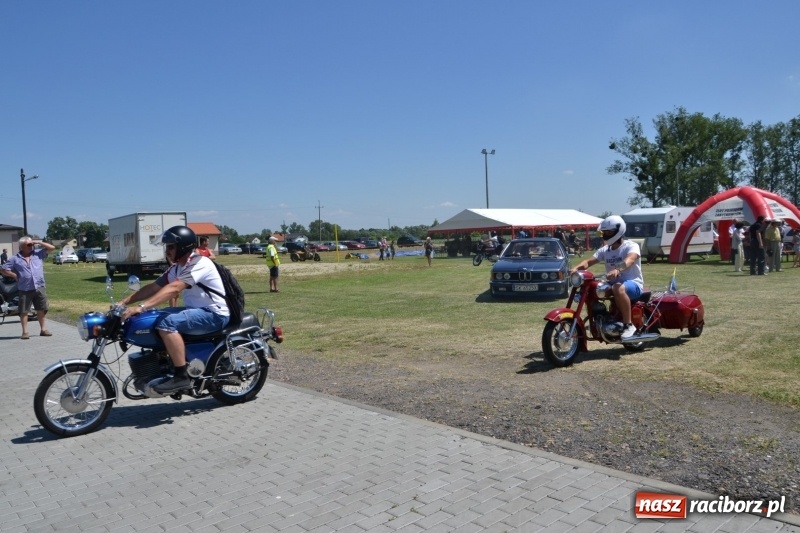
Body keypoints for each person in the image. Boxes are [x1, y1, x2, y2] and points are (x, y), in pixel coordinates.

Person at [120, 226, 229, 393]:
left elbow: (175, 288)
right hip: (198, 310)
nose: (167, 250)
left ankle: (181, 376)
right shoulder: (178, 267)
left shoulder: (200, 263)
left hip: (215, 313)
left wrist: (141, 307)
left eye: (170, 246)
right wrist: (125, 302)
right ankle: (163, 362)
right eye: (166, 247)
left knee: (167, 323)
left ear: (183, 246)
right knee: (154, 316)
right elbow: (155, 286)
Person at [569, 215, 643, 341]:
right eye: (604, 232)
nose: (606, 235)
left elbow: (630, 259)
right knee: (593, 288)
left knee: (618, 288)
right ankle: (601, 320)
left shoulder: (631, 246)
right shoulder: (605, 249)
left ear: (618, 231)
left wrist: (617, 269)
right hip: (614, 284)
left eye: (609, 232)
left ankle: (628, 325)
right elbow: (588, 262)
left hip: (633, 284)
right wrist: (575, 269)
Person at [1, 237, 57, 339]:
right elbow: (3, 269)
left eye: (32, 244)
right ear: (22, 246)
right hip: (25, 288)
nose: (32, 246)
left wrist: (38, 242)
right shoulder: (15, 258)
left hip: (39, 286)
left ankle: (43, 330)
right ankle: (25, 332)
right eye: (29, 245)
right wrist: (14, 275)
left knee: (41, 309)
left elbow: (52, 248)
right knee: (24, 311)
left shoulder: (38, 254)